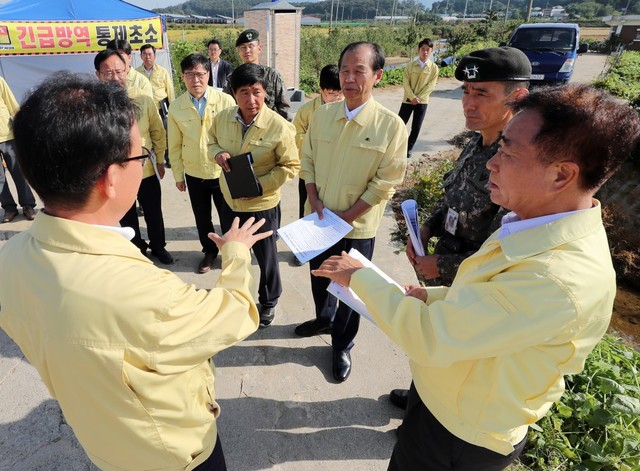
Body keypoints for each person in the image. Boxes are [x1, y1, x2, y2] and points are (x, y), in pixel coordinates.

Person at [313, 83, 640, 471]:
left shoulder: (557, 280)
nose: (491, 164)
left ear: (561, 175)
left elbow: (431, 338)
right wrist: (431, 296)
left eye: (508, 151)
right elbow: (484, 295)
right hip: (445, 401)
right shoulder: (532, 222)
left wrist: (360, 278)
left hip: (461, 433)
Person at [0, 72, 273, 471]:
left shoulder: (12, 259)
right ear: (111, 178)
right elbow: (233, 314)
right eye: (140, 154)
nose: (143, 160)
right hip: (175, 454)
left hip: (104, 444)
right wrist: (235, 254)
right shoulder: (144, 294)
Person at [390, 46, 531, 409]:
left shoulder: (517, 162)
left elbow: (506, 249)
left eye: (481, 93)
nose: (468, 102)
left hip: (473, 288)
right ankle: (422, 392)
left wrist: (444, 266)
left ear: (518, 97)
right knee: (432, 342)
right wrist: (426, 228)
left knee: (456, 356)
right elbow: (453, 198)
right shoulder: (476, 141)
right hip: (443, 272)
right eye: (466, 92)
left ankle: (434, 410)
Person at [294, 42, 408, 382]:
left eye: (359, 71)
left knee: (351, 289)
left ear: (377, 76)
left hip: (356, 227)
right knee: (319, 277)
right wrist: (313, 197)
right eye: (345, 70)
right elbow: (308, 160)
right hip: (318, 219)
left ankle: (342, 344)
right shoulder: (322, 116)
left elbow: (386, 182)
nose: (349, 78)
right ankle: (323, 318)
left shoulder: (391, 127)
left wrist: (347, 216)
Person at [209, 63, 299, 327]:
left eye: (257, 92)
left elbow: (291, 166)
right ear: (234, 94)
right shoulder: (222, 118)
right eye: (244, 92)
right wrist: (217, 153)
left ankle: (269, 301)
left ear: (265, 93)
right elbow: (211, 141)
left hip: (262, 206)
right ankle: (236, 297)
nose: (252, 100)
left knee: (267, 257)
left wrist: (262, 185)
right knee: (233, 253)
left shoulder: (279, 126)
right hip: (230, 201)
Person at [95, 49, 173, 265]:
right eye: (108, 72)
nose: (114, 77)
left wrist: (159, 161)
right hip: (115, 174)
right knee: (126, 214)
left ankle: (159, 246)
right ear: (98, 75)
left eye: (119, 71)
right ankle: (137, 248)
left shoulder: (143, 98)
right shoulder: (94, 106)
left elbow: (158, 131)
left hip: (144, 169)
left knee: (153, 212)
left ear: (127, 70)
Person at [168, 53, 236, 274]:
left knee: (228, 215)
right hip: (194, 173)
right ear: (182, 76)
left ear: (208, 74)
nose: (195, 80)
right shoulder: (177, 107)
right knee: (202, 217)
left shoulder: (225, 101)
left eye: (200, 74)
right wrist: (178, 175)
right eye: (190, 75)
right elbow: (174, 145)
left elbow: (235, 138)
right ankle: (209, 251)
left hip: (222, 172)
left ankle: (230, 252)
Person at [293, 64, 343, 221]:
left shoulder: (346, 109)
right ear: (321, 90)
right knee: (306, 208)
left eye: (340, 93)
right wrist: (316, 144)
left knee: (331, 209)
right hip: (309, 171)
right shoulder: (307, 110)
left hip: (335, 171)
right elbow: (295, 135)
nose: (337, 98)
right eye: (331, 94)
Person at [223, 29, 291, 121]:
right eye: (243, 47)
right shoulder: (232, 78)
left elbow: (284, 107)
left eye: (251, 46)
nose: (247, 50)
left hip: (269, 128)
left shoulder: (272, 75)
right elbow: (227, 106)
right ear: (238, 51)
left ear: (259, 49)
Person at [0, 76, 36, 223]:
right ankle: (9, 209)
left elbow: (12, 104)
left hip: (8, 134)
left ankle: (28, 205)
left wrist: (22, 126)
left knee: (19, 172)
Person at [398, 38, 439, 158]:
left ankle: (408, 148)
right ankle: (394, 146)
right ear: (418, 50)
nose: (425, 52)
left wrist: (419, 98)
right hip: (408, 100)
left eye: (428, 50)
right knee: (400, 124)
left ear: (431, 51)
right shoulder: (410, 66)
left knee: (416, 127)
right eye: (422, 49)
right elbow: (405, 83)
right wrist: (412, 97)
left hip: (422, 102)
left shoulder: (434, 68)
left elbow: (431, 85)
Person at [137, 43, 175, 167]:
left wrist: (172, 108)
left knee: (166, 133)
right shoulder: (137, 73)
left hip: (161, 108)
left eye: (150, 54)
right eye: (144, 54)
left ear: (154, 56)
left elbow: (170, 90)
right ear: (141, 56)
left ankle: (168, 158)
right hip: (145, 110)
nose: (147, 56)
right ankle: (151, 157)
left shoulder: (162, 71)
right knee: (148, 133)